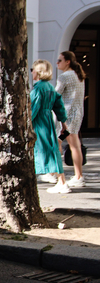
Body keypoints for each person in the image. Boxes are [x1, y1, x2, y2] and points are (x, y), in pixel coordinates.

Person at [30, 60, 70, 194]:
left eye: (33, 69)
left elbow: (32, 109)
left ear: (39, 72)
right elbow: (59, 106)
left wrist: (27, 123)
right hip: (47, 120)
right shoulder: (49, 87)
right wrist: (63, 122)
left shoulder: (39, 88)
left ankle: (60, 181)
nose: (32, 72)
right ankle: (58, 178)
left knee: (44, 148)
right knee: (52, 148)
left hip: (39, 121)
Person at [55, 51, 86, 187]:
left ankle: (57, 176)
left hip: (67, 117)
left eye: (60, 60)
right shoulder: (78, 75)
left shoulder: (65, 77)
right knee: (74, 145)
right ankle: (78, 176)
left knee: (58, 143)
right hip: (77, 114)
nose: (57, 63)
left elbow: (56, 95)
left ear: (68, 62)